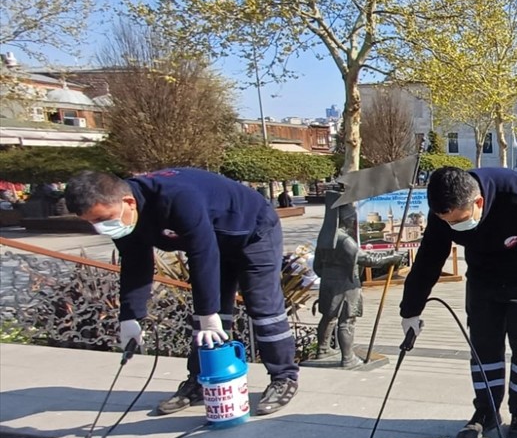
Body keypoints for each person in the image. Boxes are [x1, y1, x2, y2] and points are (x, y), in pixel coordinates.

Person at [66, 168, 300, 415]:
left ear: (128, 202)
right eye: (92, 222)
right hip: (213, 240)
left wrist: (208, 313)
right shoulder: (127, 218)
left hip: (253, 231)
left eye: (104, 219)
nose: (101, 228)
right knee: (209, 321)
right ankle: (201, 381)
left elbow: (203, 253)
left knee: (263, 308)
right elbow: (136, 263)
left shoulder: (177, 197)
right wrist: (130, 316)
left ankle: (283, 377)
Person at [399, 166, 517, 438]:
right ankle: (486, 410)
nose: (454, 228)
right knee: (483, 347)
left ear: (478, 203)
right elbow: (428, 260)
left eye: (459, 221)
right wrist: (410, 311)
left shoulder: (516, 193)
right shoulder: (443, 210)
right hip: (483, 280)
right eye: (447, 222)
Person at [313, 194, 405, 368]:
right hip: (346, 285)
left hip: (328, 283)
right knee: (347, 321)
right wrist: (392, 257)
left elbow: (317, 266)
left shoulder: (325, 236)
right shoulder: (345, 240)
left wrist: (329, 277)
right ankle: (348, 358)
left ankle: (323, 349)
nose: (352, 220)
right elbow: (368, 260)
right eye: (351, 217)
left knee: (329, 317)